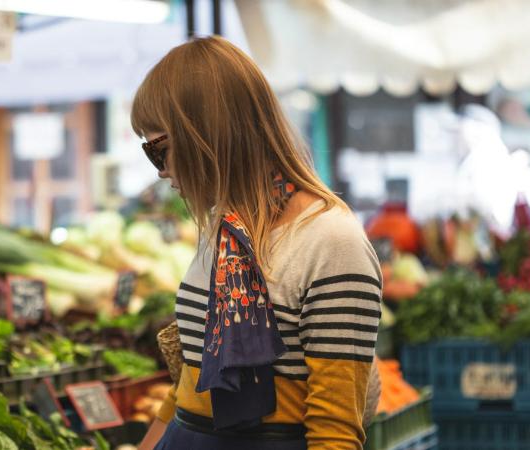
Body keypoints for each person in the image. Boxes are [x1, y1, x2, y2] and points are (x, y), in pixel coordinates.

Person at [133, 37, 382, 450]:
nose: (160, 170)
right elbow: (190, 382)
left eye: (158, 149)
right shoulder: (226, 229)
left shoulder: (331, 242)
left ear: (205, 135)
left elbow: (335, 432)